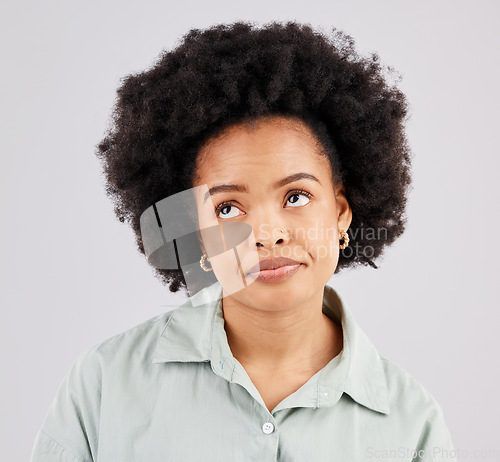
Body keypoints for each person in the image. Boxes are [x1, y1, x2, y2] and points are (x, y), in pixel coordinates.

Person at [30, 21, 456, 461]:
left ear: (341, 213)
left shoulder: (413, 424)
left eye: (296, 196)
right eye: (228, 208)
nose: (268, 234)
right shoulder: (104, 386)